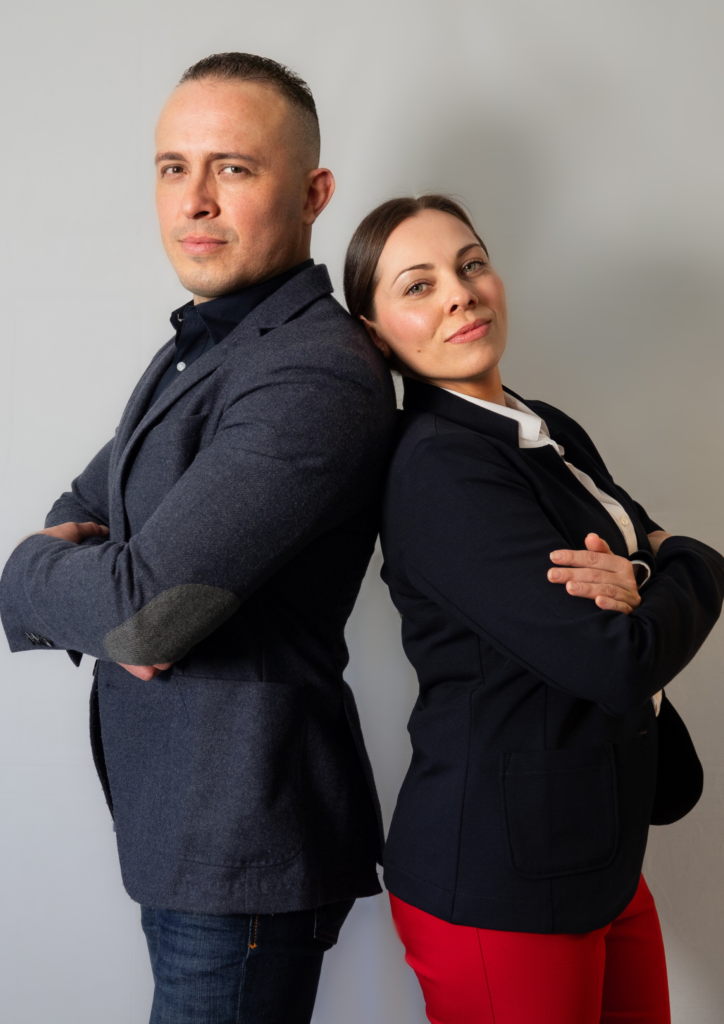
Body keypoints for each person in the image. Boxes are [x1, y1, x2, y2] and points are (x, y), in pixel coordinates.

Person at [0, 53, 395, 1024]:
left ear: (314, 194)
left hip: (243, 836)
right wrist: (90, 584)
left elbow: (142, 615)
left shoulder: (314, 370)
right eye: (174, 167)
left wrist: (37, 572)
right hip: (188, 825)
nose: (195, 199)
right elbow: (83, 511)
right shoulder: (206, 345)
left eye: (234, 167)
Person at [343, 193, 724, 1024]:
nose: (460, 294)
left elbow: (636, 553)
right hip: (499, 880)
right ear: (375, 333)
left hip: (597, 851)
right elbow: (615, 659)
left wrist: (643, 574)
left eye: (471, 265)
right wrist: (697, 563)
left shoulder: (544, 426)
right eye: (419, 285)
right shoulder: (440, 469)